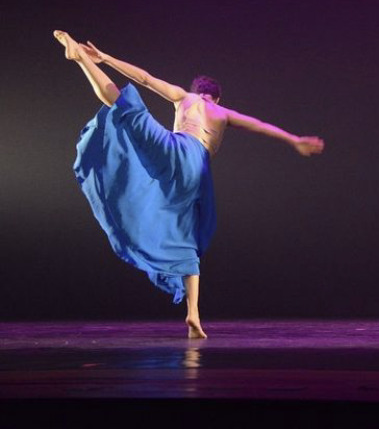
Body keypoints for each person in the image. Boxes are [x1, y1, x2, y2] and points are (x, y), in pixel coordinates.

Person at [54, 30, 324, 339]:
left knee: (127, 106)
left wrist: (105, 57)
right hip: (195, 169)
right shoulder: (222, 112)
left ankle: (83, 60)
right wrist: (294, 140)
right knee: (187, 239)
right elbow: (259, 126)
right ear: (217, 97)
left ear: (198, 92)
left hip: (171, 146)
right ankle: (193, 315)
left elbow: (145, 78)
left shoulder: (185, 98)